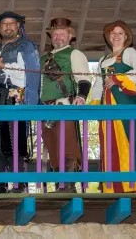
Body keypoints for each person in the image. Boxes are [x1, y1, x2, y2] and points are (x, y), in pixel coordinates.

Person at [88, 20, 136, 193]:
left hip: (124, 102)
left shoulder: (129, 52)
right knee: (109, 142)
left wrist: (119, 78)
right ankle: (112, 186)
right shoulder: (103, 59)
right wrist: (94, 104)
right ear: (108, 37)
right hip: (106, 105)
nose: (116, 36)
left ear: (126, 37)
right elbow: (98, 84)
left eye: (120, 33)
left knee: (129, 139)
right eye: (112, 33)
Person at [0, 11, 40, 194]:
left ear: (18, 26)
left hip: (15, 97)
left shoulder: (26, 46)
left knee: (15, 140)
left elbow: (29, 74)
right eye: (4, 24)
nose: (8, 26)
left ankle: (19, 184)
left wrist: (3, 67)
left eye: (12, 23)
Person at [39, 18, 90, 193]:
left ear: (69, 37)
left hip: (64, 104)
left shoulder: (74, 54)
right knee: (52, 145)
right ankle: (59, 184)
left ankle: (69, 185)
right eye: (55, 34)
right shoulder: (44, 58)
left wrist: (82, 96)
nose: (58, 36)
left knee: (67, 144)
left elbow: (83, 78)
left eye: (62, 33)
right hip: (45, 108)